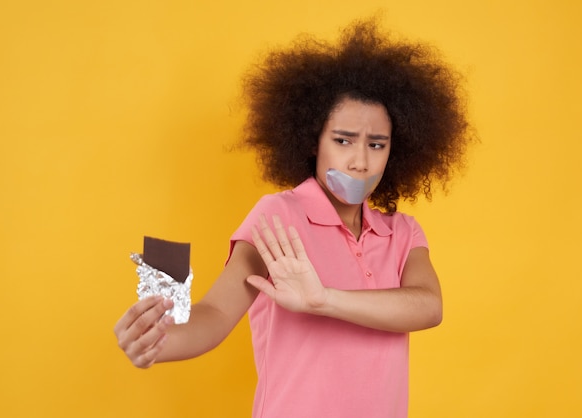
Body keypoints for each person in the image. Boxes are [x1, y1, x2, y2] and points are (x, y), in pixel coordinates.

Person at [114, 17, 473, 418]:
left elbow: (428, 306)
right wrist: (157, 342)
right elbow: (216, 313)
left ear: (396, 150)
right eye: (342, 140)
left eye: (376, 144)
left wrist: (323, 300)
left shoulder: (402, 233)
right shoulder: (278, 216)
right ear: (311, 140)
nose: (359, 160)